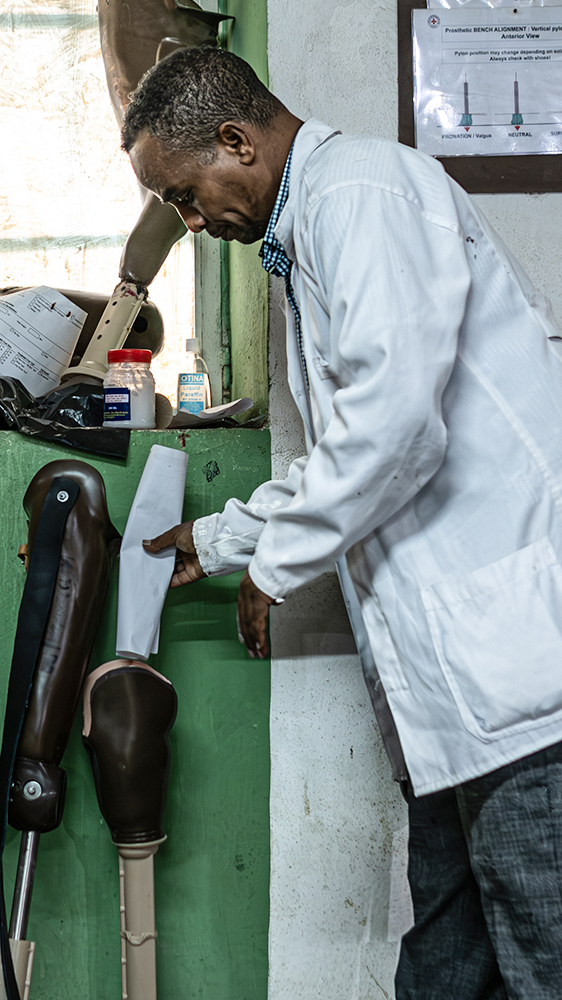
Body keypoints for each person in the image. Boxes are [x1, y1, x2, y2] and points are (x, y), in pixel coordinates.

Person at [123, 46, 562, 999]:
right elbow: (348, 448)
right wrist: (223, 538)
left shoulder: (360, 191)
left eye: (185, 196)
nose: (191, 223)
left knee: (541, 947)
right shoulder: (317, 219)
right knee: (448, 958)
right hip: (455, 693)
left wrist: (276, 565)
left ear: (237, 140)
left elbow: (396, 422)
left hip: (522, 683)